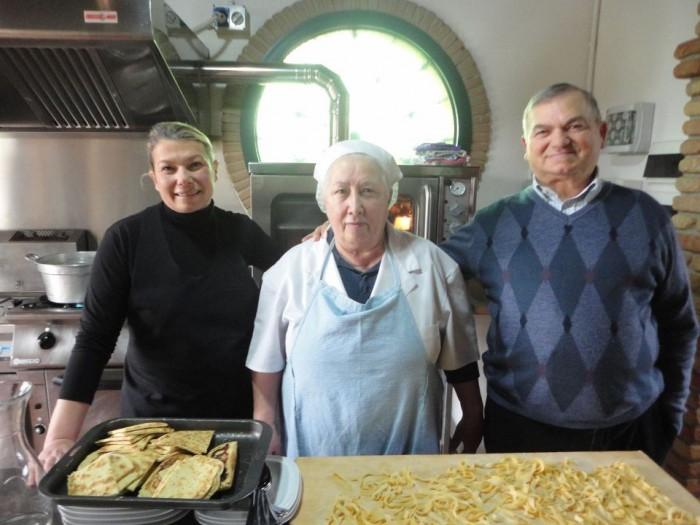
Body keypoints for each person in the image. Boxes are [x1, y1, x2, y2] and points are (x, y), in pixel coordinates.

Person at [440, 83, 699, 464]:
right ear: (525, 145)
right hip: (519, 428)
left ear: (601, 133)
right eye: (543, 131)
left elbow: (679, 325)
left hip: (629, 431)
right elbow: (421, 267)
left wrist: (670, 417)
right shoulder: (493, 223)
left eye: (574, 126)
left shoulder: (648, 218)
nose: (558, 140)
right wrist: (340, 236)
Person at [39, 121, 282, 470]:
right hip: (152, 427)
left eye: (195, 164)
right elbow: (94, 340)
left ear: (213, 169)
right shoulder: (126, 239)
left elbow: (295, 278)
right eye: (169, 168)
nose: (183, 178)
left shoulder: (240, 232)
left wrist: (324, 238)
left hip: (235, 424)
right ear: (153, 177)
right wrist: (61, 435)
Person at [246, 140, 483, 458]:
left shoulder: (432, 266)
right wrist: (266, 423)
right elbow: (266, 361)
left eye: (368, 191)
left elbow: (461, 360)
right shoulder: (291, 270)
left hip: (409, 458)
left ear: (389, 198)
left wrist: (472, 414)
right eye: (341, 191)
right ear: (325, 201)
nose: (354, 206)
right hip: (313, 454)